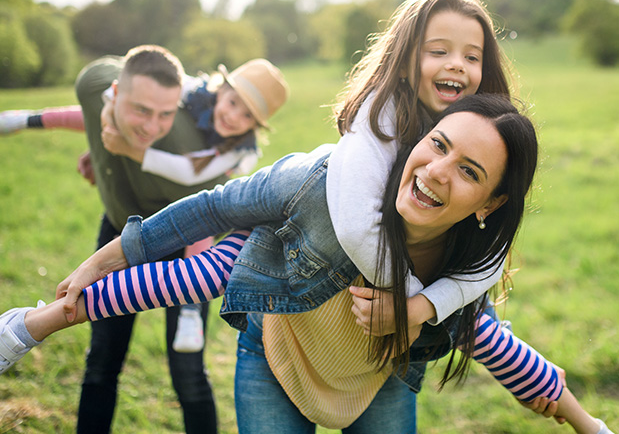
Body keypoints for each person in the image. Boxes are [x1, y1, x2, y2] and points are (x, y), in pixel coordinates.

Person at [0, 96, 613, 434]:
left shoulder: (452, 278)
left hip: (372, 383)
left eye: (470, 173)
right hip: (279, 361)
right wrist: (45, 319)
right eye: (437, 146)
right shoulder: (318, 209)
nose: (435, 172)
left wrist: (585, 422)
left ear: (490, 205)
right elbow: (184, 270)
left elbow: (497, 346)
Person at [0, 45, 288, 434]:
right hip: (123, 230)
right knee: (102, 359)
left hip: (186, 241)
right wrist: (102, 147)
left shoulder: (238, 153)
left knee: (188, 370)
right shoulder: (181, 97)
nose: (233, 117)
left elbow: (188, 172)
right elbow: (120, 99)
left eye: (247, 116)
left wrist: (130, 150)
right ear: (221, 87)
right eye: (233, 102)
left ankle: (188, 314)